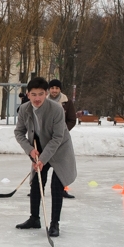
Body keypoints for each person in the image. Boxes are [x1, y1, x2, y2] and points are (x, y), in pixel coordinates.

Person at [13, 77, 77, 237]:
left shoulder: (56, 109)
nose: (37, 98)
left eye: (41, 94)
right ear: (27, 94)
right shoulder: (24, 109)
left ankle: (54, 223)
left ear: (46, 94)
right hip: (39, 149)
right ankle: (34, 218)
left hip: (60, 149)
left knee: (57, 185)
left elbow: (57, 138)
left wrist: (43, 160)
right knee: (36, 183)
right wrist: (30, 150)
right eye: (33, 94)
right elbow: (19, 132)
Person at [48, 79, 77, 198]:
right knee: (42, 165)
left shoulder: (67, 102)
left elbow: (72, 120)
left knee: (61, 166)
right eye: (52, 88)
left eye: (57, 88)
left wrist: (63, 132)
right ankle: (37, 189)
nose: (54, 90)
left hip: (61, 140)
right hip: (46, 138)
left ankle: (62, 189)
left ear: (60, 89)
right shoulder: (44, 101)